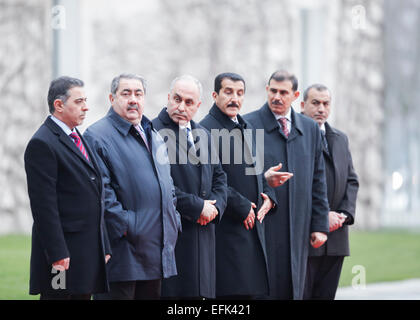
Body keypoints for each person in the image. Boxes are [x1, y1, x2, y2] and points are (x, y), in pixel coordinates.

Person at [84, 74, 181, 300]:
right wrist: (130, 225)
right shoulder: (97, 136)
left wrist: (173, 220)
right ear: (112, 98)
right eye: (125, 94)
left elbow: (168, 185)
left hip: (156, 251)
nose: (133, 99)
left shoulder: (154, 134)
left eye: (138, 94)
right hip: (122, 254)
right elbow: (101, 193)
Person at [244, 70, 329, 300]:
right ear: (267, 90)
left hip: (299, 226)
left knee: (295, 288)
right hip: (263, 225)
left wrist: (319, 225)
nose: (277, 97)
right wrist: (264, 179)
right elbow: (240, 175)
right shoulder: (248, 125)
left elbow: (318, 180)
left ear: (295, 95)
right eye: (273, 91)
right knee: (265, 289)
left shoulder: (310, 128)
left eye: (283, 92)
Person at [24, 76, 111, 300]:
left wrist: (104, 244)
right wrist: (57, 254)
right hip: (61, 259)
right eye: (79, 101)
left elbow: (95, 194)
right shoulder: (42, 143)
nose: (86, 107)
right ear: (59, 105)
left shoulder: (77, 137)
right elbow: (44, 207)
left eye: (86, 100)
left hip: (85, 254)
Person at [200, 72, 276, 299]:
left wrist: (270, 195)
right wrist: (241, 206)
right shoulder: (205, 130)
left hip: (254, 230)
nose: (235, 98)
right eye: (228, 92)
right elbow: (211, 180)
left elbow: (258, 173)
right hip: (228, 229)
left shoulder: (245, 127)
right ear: (215, 95)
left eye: (240, 93)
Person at [152, 75, 228, 299]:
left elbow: (220, 177)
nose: (181, 106)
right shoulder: (153, 132)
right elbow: (160, 186)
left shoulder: (203, 134)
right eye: (177, 99)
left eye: (188, 102)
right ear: (168, 98)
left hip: (205, 236)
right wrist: (197, 208)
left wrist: (214, 208)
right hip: (175, 239)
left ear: (198, 106)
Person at [301, 84, 359, 300]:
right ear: (302, 105)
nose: (321, 109)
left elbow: (351, 180)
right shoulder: (295, 136)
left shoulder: (340, 139)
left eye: (326, 104)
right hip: (307, 237)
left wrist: (343, 215)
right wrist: (321, 218)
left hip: (336, 238)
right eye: (315, 103)